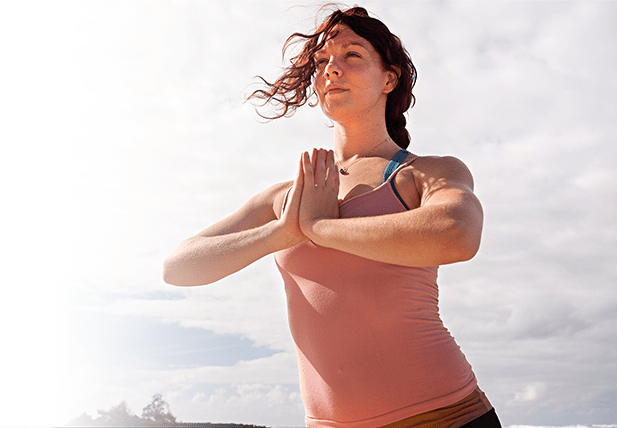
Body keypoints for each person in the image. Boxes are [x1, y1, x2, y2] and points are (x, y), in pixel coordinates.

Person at [163, 6, 501, 428]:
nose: (331, 70)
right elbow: (178, 267)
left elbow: (457, 234)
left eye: (352, 56)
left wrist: (320, 229)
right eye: (322, 62)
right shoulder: (289, 197)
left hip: (445, 416)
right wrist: (283, 231)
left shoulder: (425, 173)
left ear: (389, 78)